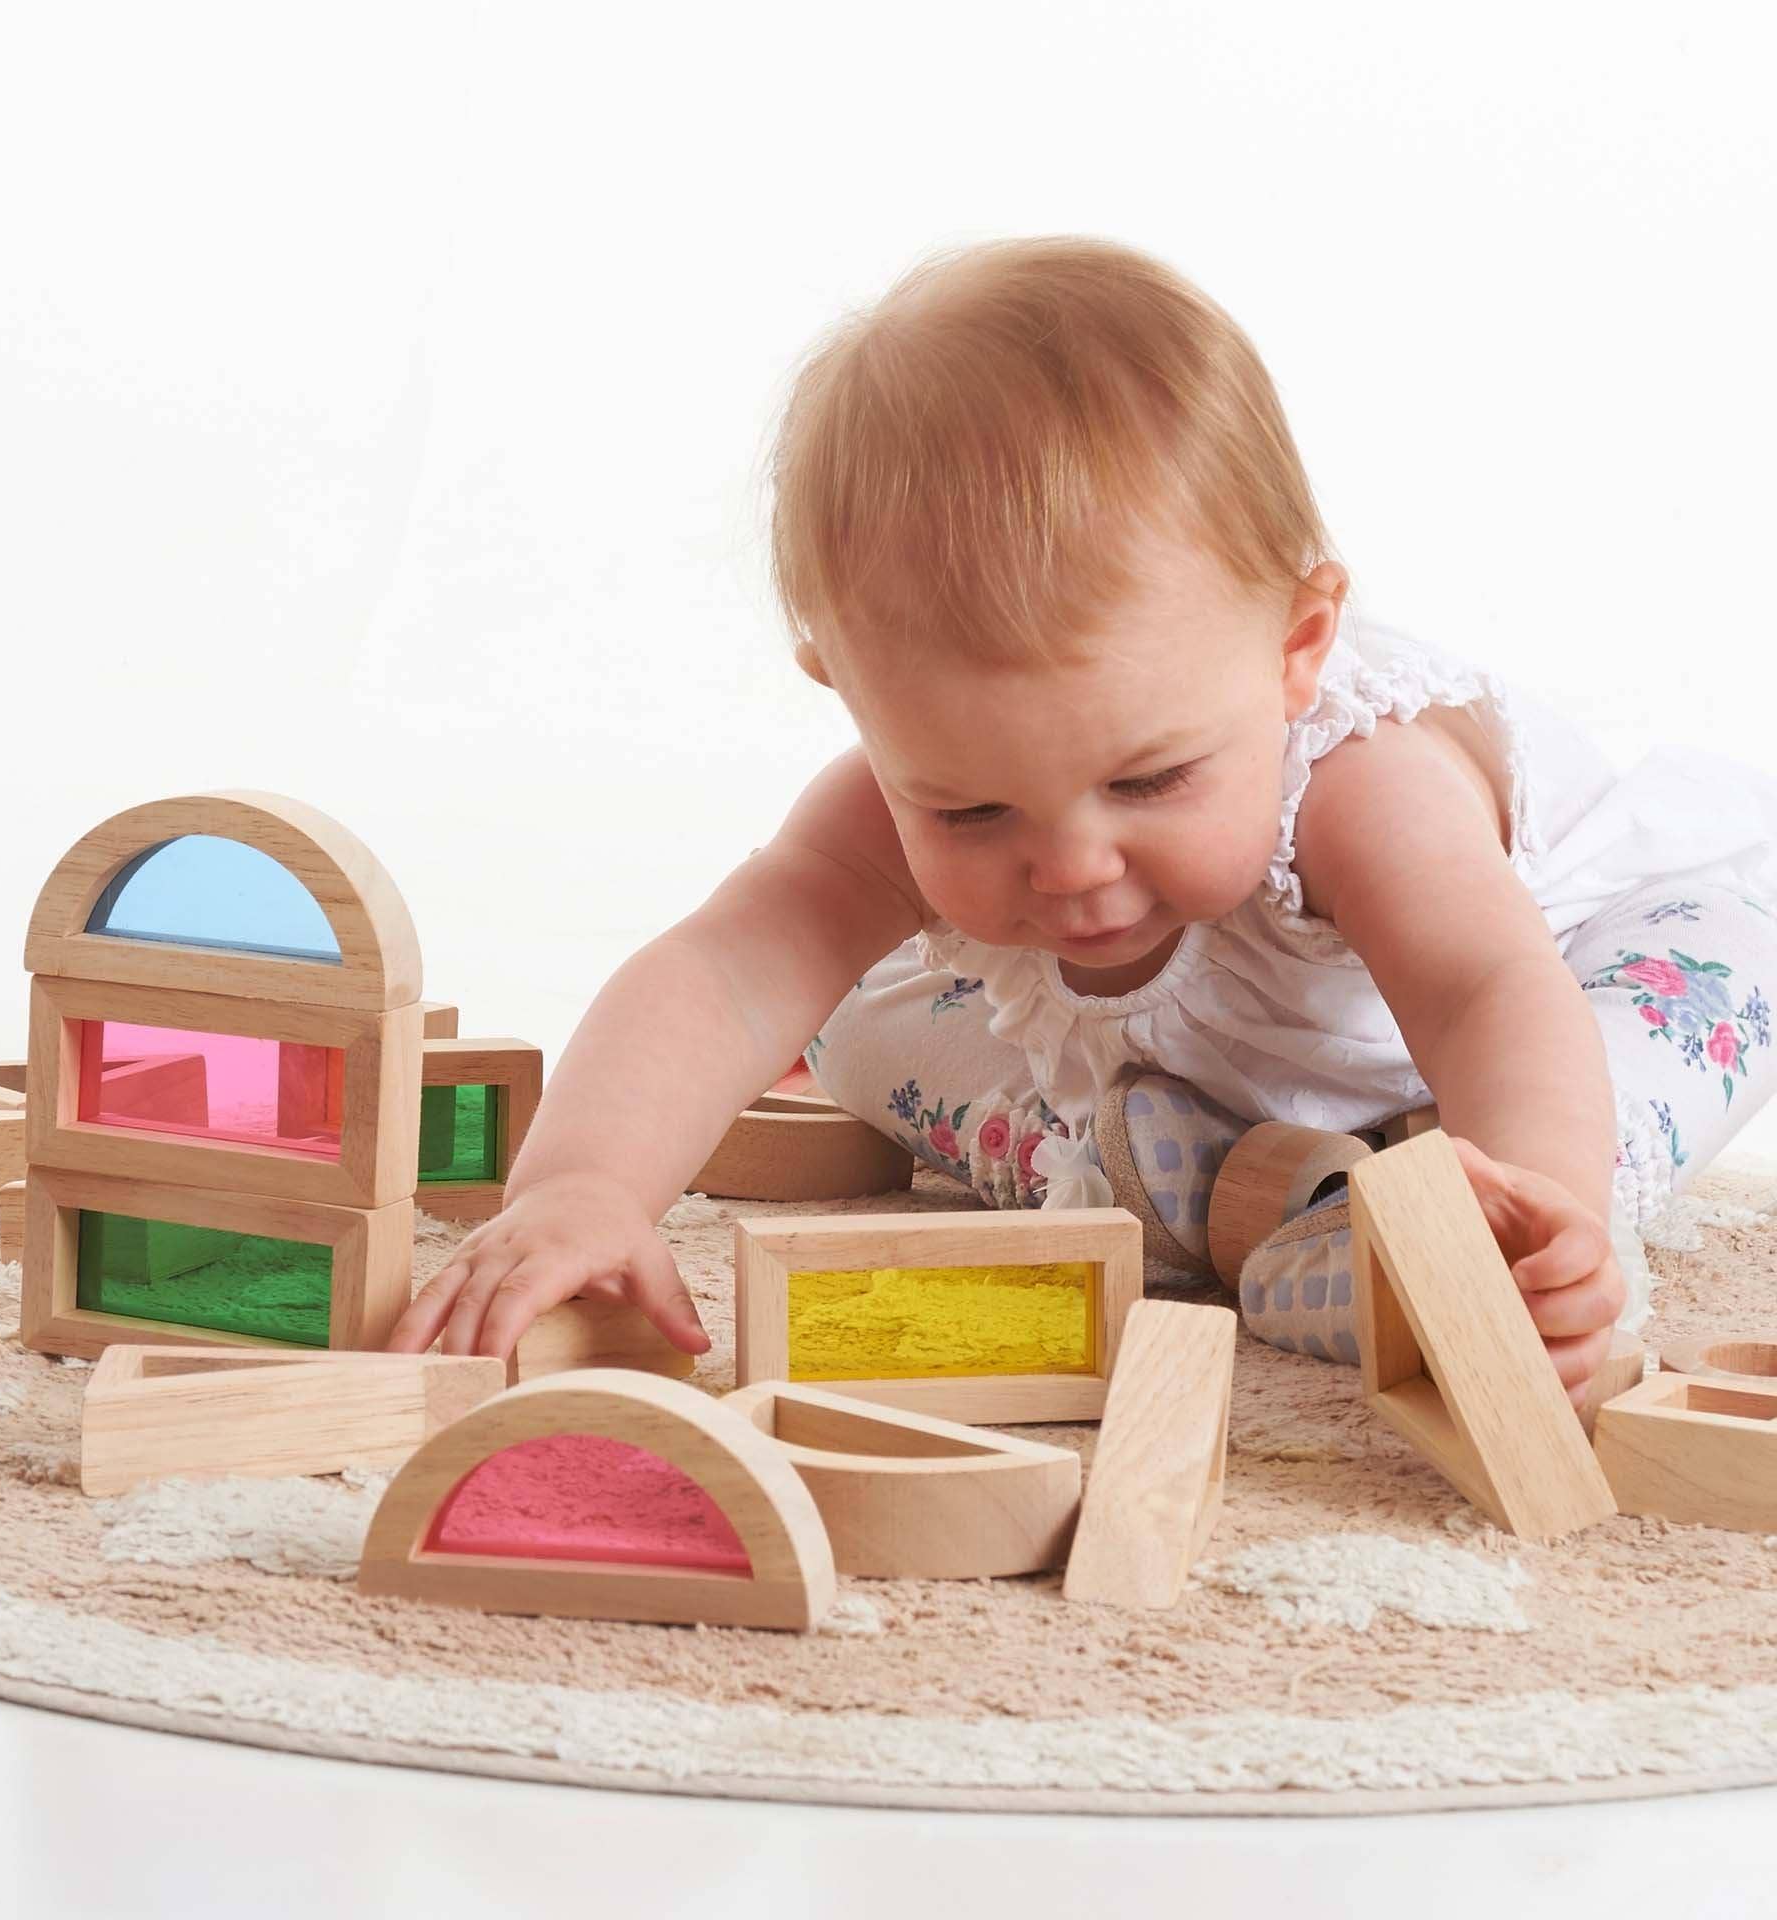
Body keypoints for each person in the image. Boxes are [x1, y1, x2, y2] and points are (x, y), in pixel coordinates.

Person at [389, 235, 1777, 1408]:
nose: (1071, 868)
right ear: (855, 702)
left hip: (1543, 991)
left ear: (1297, 646)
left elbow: (1487, 991)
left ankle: (1438, 1214)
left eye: (1151, 782)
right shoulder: (899, 795)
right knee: (850, 1020)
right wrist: (582, 1188)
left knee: (1708, 989)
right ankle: (1187, 1180)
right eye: (971, 804)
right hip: (1216, 1085)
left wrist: (1551, 1215)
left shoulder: (1367, 778)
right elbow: (720, 970)